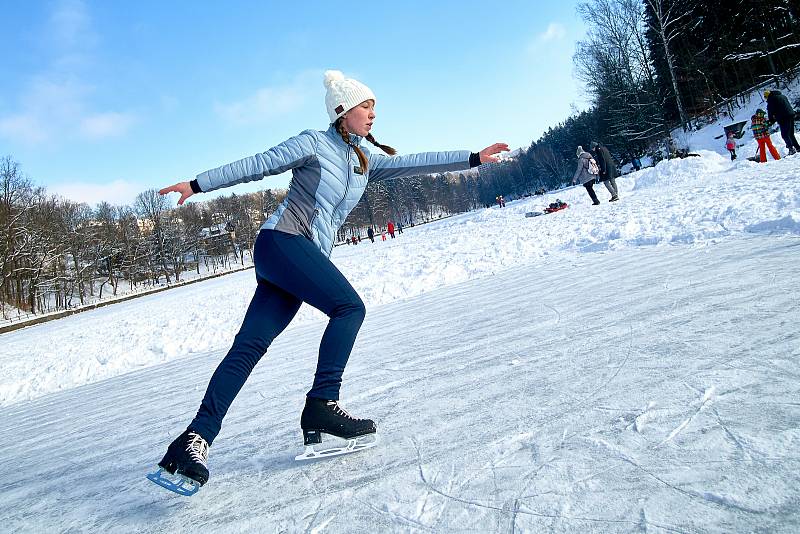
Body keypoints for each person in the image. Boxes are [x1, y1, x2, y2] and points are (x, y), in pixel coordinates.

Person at [154, 69, 509, 491]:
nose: (373, 113)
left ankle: (193, 440)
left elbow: (411, 164)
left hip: (296, 258)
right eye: (366, 106)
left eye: (374, 106)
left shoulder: (363, 162)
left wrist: (472, 158)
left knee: (250, 345)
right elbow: (257, 165)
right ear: (343, 112)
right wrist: (198, 184)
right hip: (283, 242)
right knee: (349, 307)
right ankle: (322, 404)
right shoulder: (313, 143)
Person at [765, 89, 799, 156]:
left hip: (783, 118)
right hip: (791, 115)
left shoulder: (771, 99)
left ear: (767, 96)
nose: (766, 99)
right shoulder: (782, 96)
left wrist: (770, 121)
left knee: (785, 135)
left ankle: (791, 149)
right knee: (791, 134)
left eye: (765, 97)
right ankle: (798, 148)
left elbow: (771, 112)